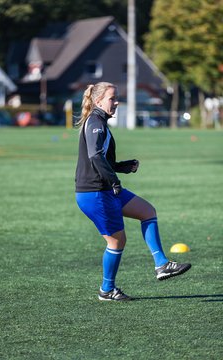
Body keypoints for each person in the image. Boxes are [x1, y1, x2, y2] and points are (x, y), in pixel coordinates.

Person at [75, 82, 191, 301]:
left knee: (147, 211)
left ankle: (162, 265)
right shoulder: (95, 121)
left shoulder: (100, 121)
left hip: (104, 188)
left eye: (117, 97)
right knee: (116, 242)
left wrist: (121, 167)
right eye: (112, 98)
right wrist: (114, 180)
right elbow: (94, 156)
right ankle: (107, 290)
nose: (116, 102)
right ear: (98, 101)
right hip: (95, 193)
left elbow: (100, 159)